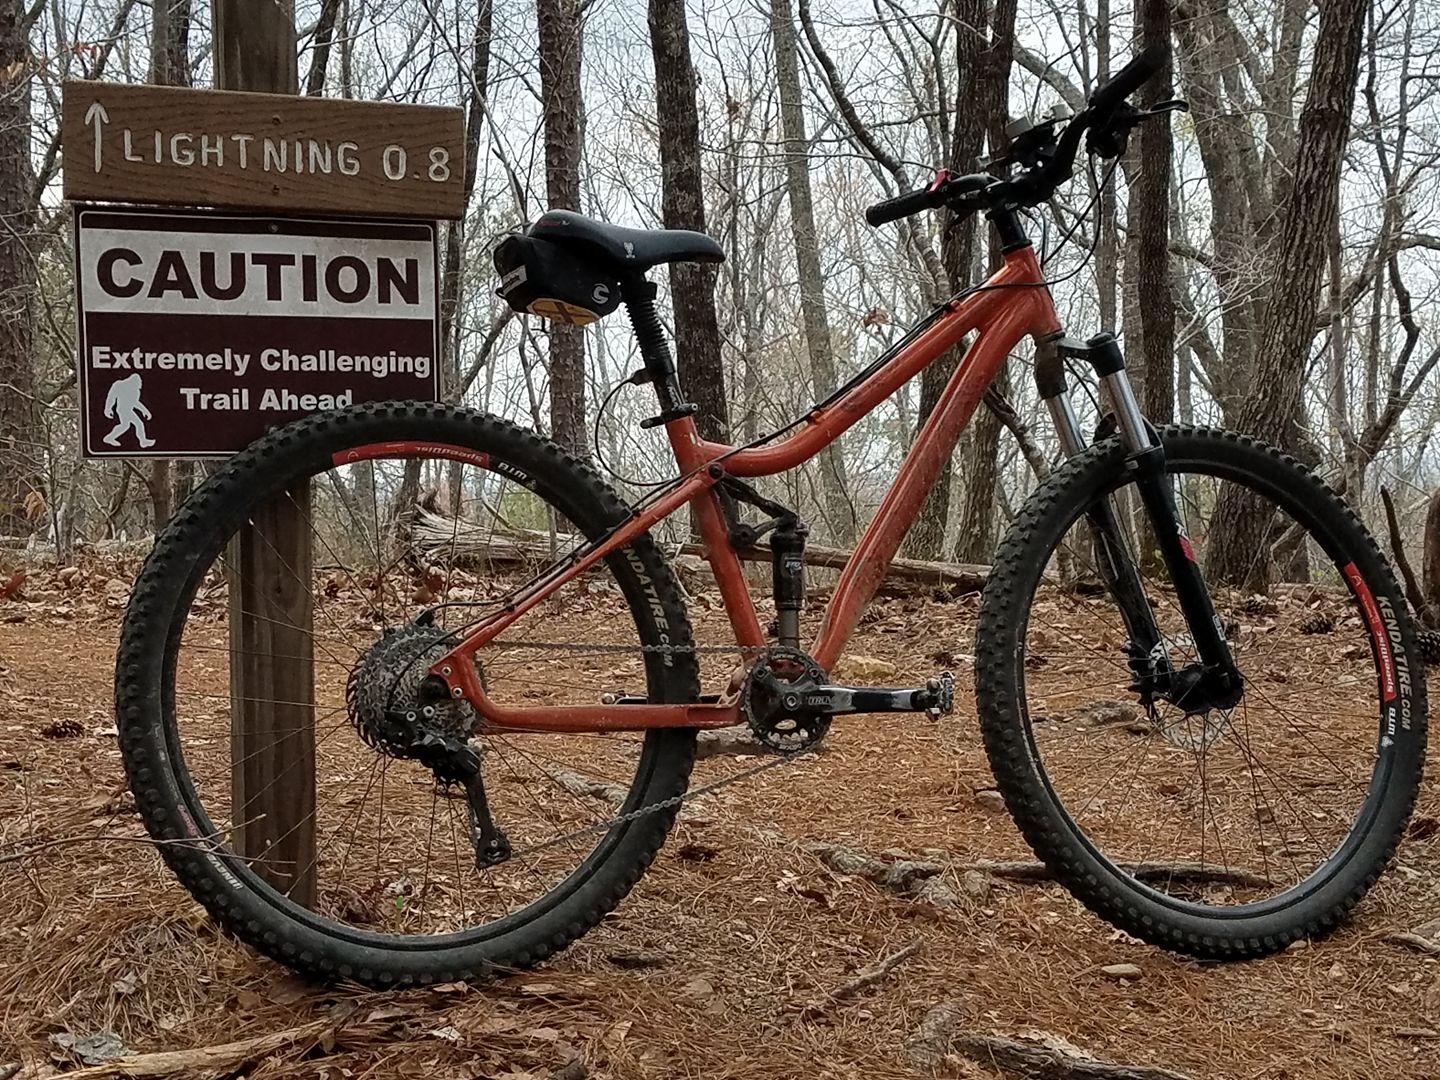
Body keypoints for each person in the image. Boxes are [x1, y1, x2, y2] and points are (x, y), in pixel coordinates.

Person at [103, 372, 156, 448]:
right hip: (122, 410)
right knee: (137, 424)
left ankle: (109, 438)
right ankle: (143, 441)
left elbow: (135, 403)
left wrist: (145, 411)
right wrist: (108, 408)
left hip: (128, 410)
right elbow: (111, 397)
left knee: (127, 425)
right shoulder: (119, 385)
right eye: (139, 381)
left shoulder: (136, 391)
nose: (140, 383)